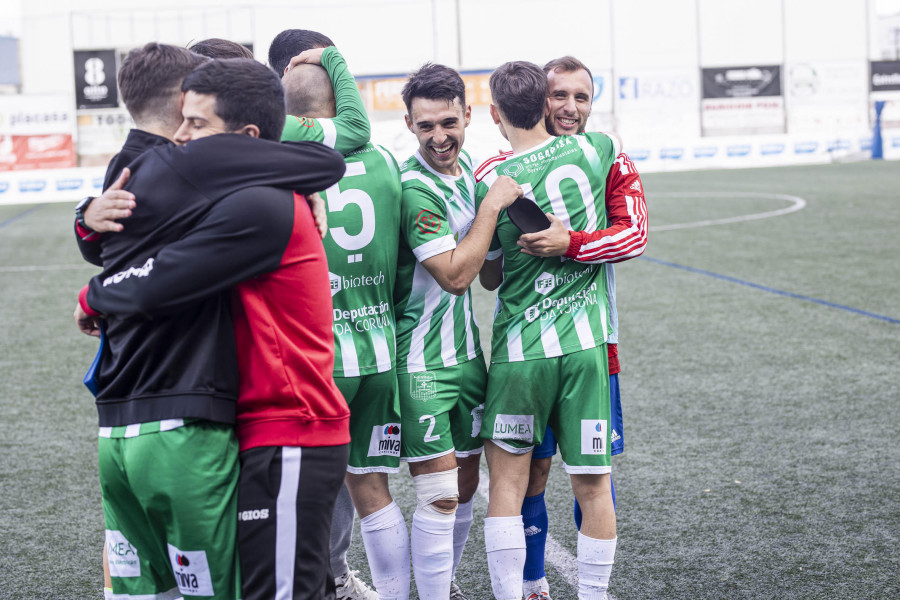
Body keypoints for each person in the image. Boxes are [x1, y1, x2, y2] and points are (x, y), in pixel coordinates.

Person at [75, 57, 350, 600]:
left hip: (291, 428)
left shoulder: (262, 206)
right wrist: (86, 218)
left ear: (246, 140)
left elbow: (163, 276)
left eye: (196, 124)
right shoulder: (249, 193)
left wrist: (93, 296)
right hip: (261, 429)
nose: (178, 138)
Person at [475, 55, 648, 600]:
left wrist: (568, 243)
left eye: (582, 96)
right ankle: (531, 581)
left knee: (588, 475)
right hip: (576, 348)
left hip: (593, 347)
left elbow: (635, 235)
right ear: (538, 102)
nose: (571, 107)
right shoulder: (597, 152)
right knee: (537, 475)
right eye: (559, 96)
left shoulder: (604, 155)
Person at [281, 44, 415, 600]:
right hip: (380, 354)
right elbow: (405, 262)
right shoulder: (385, 161)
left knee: (305, 493)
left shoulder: (283, 164)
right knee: (373, 487)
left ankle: (322, 583)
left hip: (318, 360)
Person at [395, 63, 521, 600]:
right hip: (420, 362)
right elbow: (453, 276)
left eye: (448, 122)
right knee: (440, 492)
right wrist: (493, 206)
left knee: (466, 486)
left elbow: (488, 274)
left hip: (467, 356)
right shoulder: (413, 189)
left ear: (468, 115)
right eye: (426, 127)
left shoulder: (470, 168)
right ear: (408, 125)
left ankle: (438, 580)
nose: (439, 137)